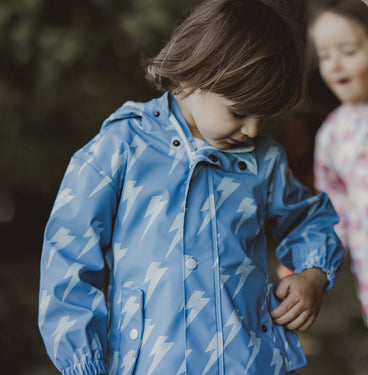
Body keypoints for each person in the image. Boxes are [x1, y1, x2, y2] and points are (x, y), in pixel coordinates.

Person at [38, 1, 344, 374]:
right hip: (150, 364)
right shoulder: (121, 149)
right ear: (192, 78)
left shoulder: (263, 160)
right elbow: (68, 259)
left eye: (263, 116)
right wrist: (82, 363)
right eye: (239, 111)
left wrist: (314, 273)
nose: (252, 130)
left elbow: (308, 218)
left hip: (249, 362)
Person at [308, 0, 368, 369]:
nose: (334, 64)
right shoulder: (333, 134)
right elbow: (333, 214)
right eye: (324, 54)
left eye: (348, 51)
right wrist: (307, 261)